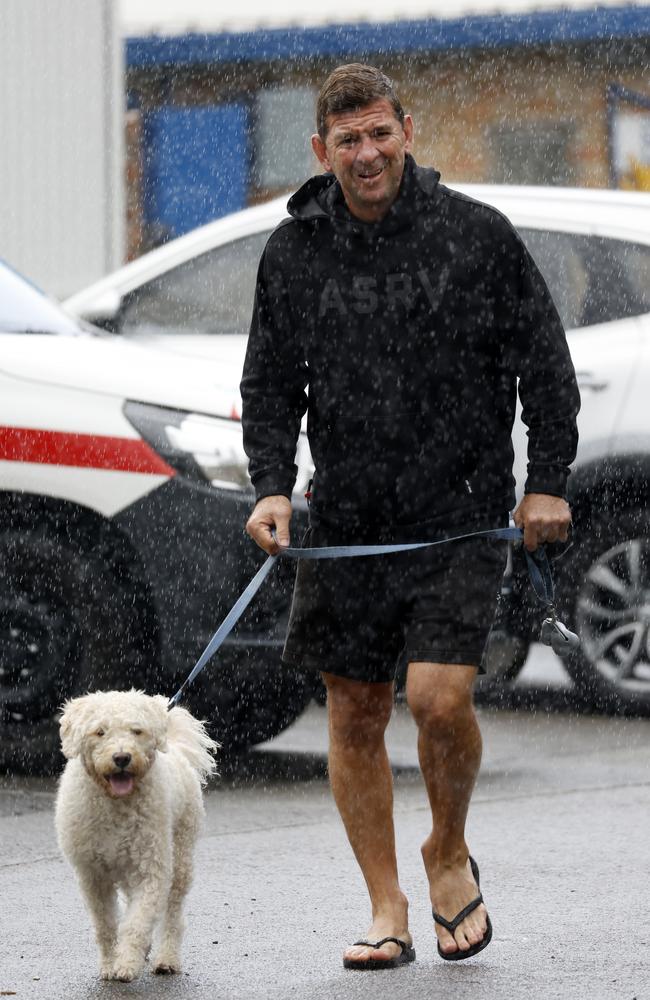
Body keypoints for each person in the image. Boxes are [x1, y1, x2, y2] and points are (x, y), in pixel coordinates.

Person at [240, 63, 579, 969]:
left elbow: (546, 366)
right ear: (321, 151)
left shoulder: (475, 236)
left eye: (379, 133)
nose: (366, 153)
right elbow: (270, 384)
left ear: (409, 130)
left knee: (438, 697)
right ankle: (386, 904)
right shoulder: (296, 251)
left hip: (458, 515)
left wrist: (546, 480)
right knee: (352, 710)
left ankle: (448, 848)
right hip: (349, 517)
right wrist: (272, 483)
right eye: (346, 140)